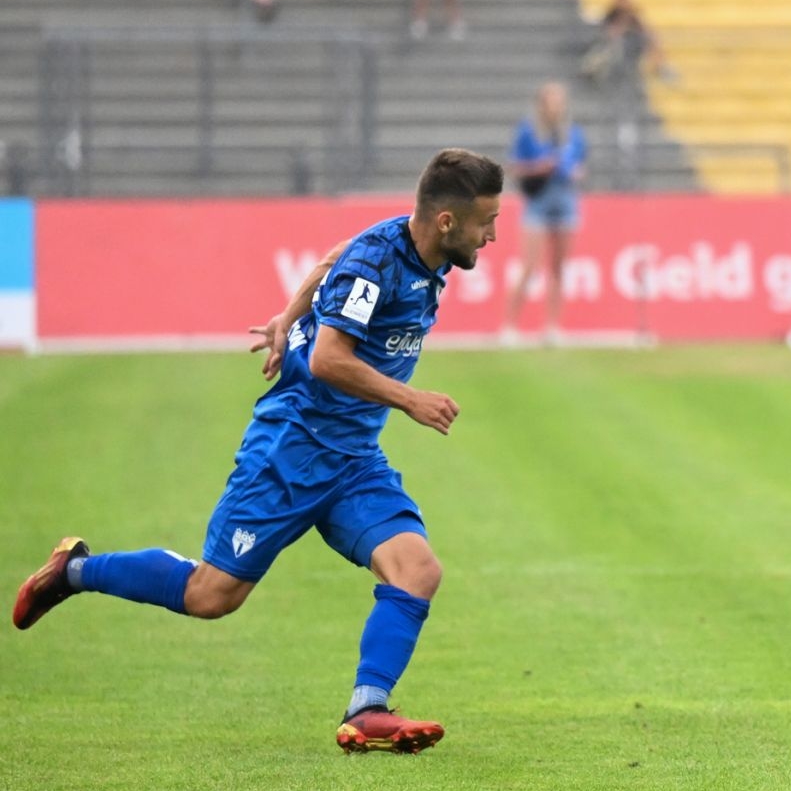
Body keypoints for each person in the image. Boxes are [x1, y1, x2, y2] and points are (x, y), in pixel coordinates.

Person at [12, 150, 503, 756]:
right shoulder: (379, 261)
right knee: (210, 596)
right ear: (448, 221)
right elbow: (328, 359)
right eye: (487, 221)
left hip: (352, 460)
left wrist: (287, 316)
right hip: (290, 452)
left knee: (418, 569)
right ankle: (75, 571)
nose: (495, 234)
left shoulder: (412, 253)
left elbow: (328, 263)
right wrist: (409, 399)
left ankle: (367, 710)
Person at [502, 82, 588, 344]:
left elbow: (580, 165)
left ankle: (552, 326)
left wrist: (574, 171)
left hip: (565, 198)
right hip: (539, 199)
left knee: (559, 267)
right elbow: (516, 166)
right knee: (530, 265)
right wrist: (540, 167)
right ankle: (510, 325)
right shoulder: (529, 132)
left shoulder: (572, 133)